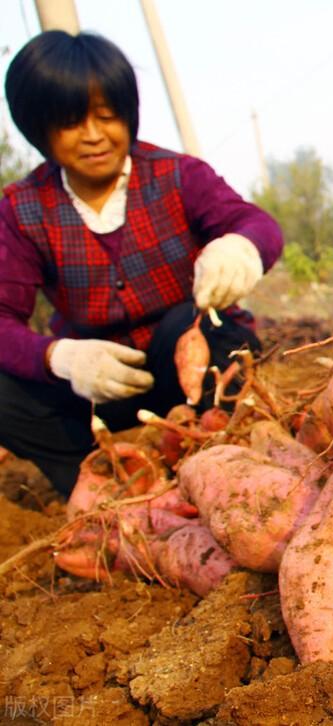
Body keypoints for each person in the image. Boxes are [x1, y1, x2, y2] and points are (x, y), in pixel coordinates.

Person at [0, 31, 282, 496]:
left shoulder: (178, 176)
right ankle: (97, 483)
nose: (94, 136)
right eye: (71, 123)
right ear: (39, 128)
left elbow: (254, 223)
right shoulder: (22, 210)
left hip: (192, 371)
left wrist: (240, 247)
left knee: (200, 328)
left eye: (107, 117)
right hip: (99, 391)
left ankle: (219, 459)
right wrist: (60, 357)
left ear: (128, 113)